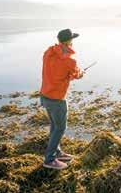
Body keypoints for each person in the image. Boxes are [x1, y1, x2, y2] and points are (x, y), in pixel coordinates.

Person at [40, 28, 84, 170]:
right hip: (57, 99)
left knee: (54, 126)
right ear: (69, 41)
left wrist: (69, 75)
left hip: (45, 95)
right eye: (72, 40)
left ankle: (57, 152)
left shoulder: (48, 53)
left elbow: (57, 73)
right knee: (60, 128)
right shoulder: (70, 61)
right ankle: (50, 159)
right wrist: (80, 73)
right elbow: (76, 74)